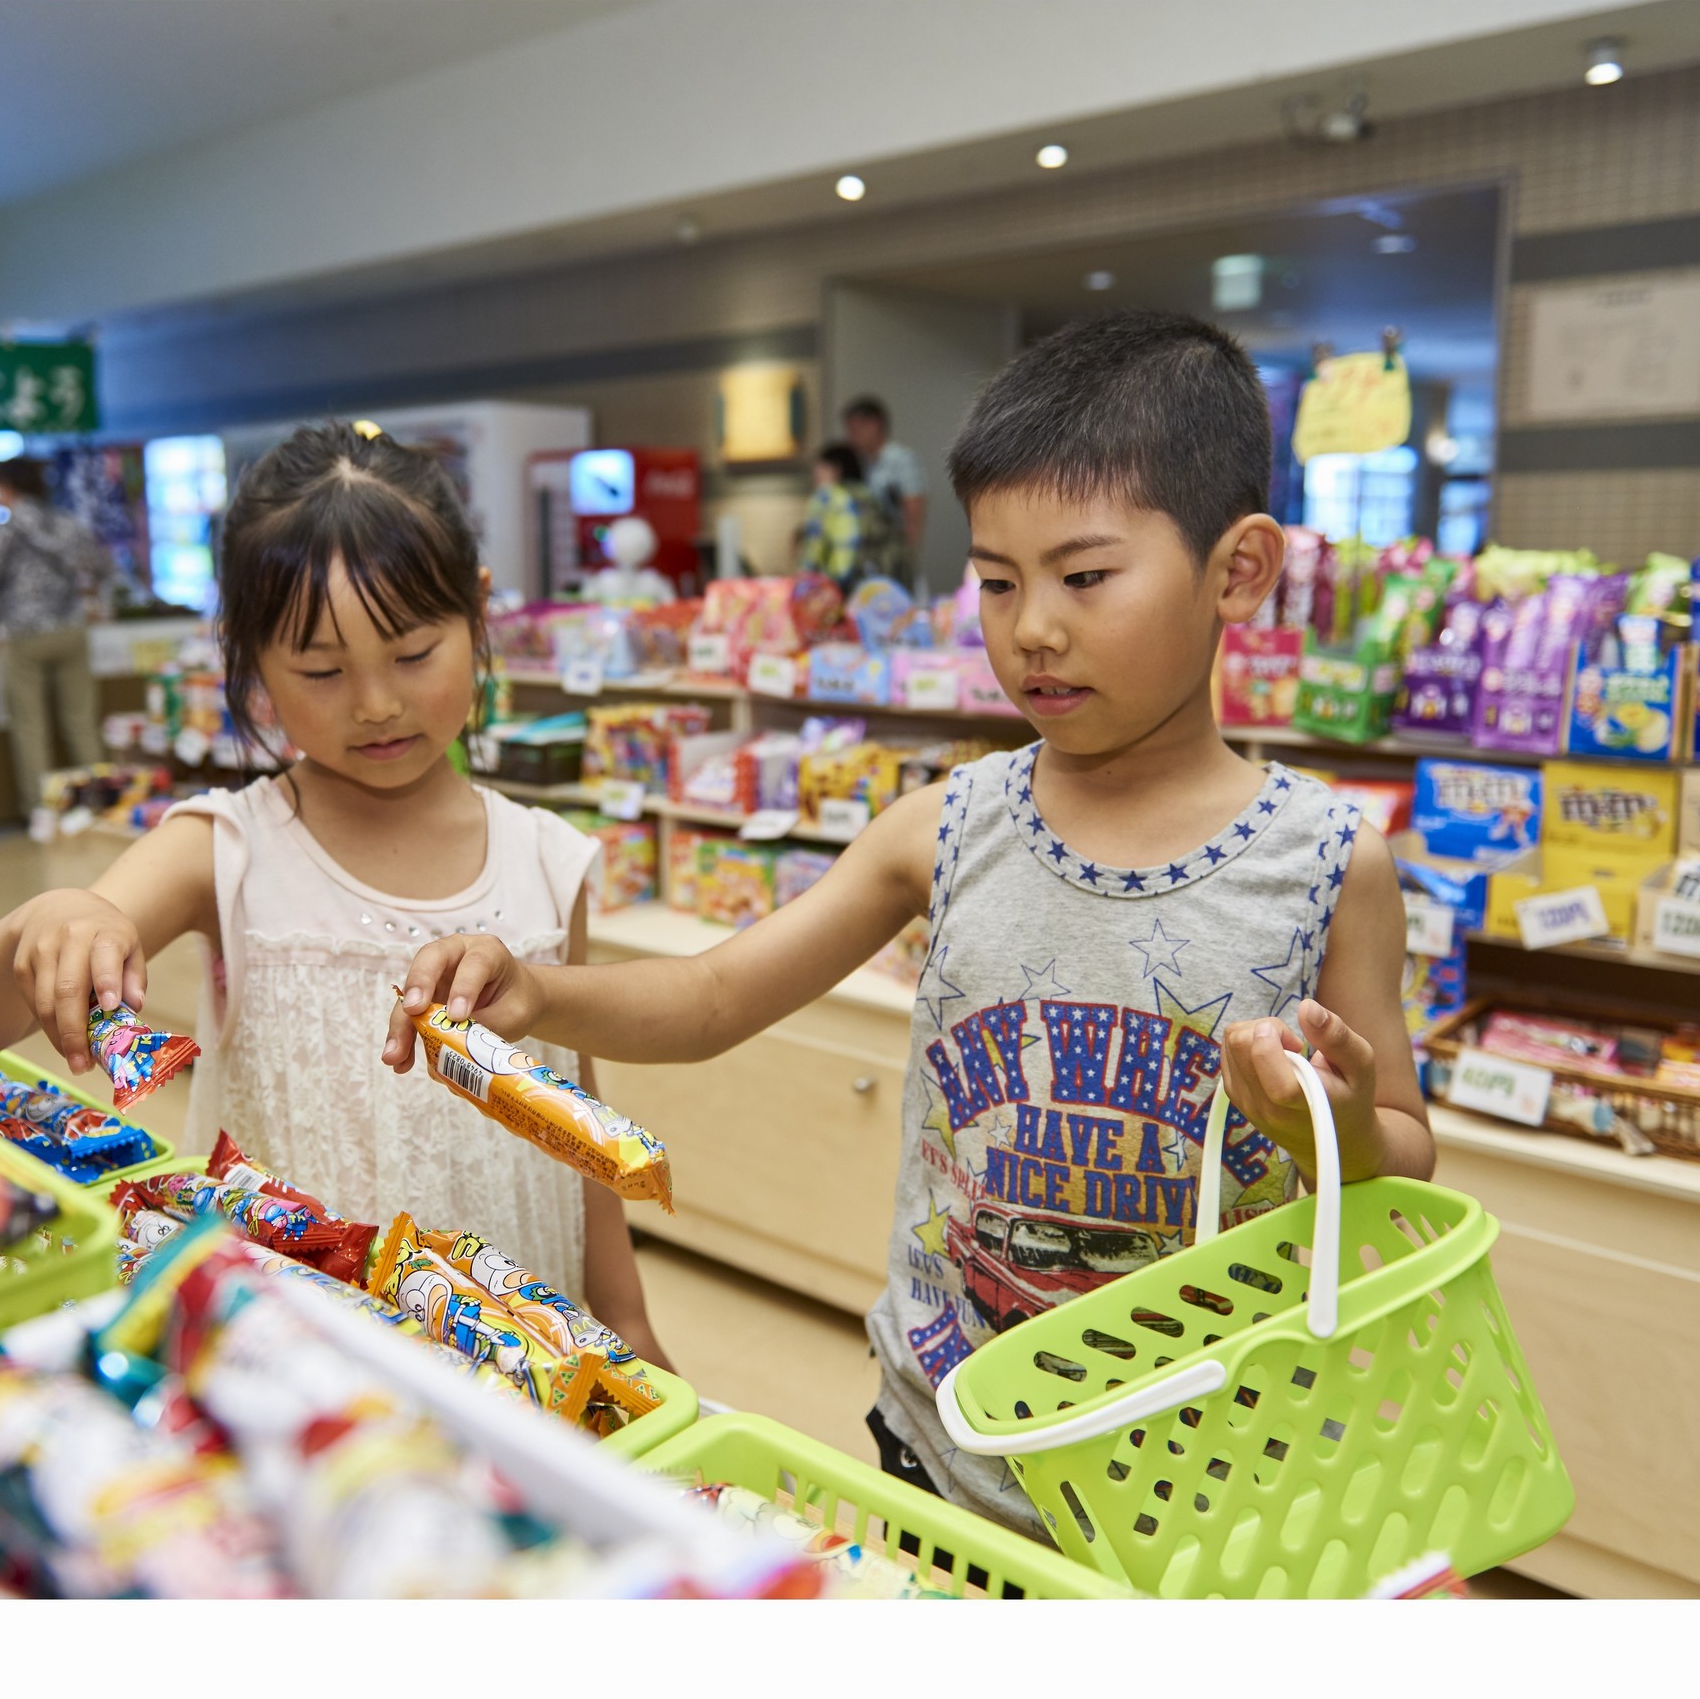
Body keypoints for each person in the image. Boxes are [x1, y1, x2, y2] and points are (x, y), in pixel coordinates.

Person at [383, 314, 1431, 1538]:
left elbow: (1404, 1162)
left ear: (1238, 570)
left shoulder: (1328, 865)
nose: (1031, 624)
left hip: (1205, 1470)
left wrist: (1338, 1126)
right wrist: (542, 993)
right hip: (949, 1445)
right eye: (996, 581)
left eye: (1084, 577)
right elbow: (718, 995)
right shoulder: (945, 826)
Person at [0, 422, 670, 1367]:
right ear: (249, 658)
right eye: (321, 670)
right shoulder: (224, 848)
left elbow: (572, 1109)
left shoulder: (545, 859)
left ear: (479, 615)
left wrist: (626, 1316)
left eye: (412, 654)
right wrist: (52, 920)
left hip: (522, 1344)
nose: (374, 703)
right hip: (296, 1350)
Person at [0, 456, 113, 814]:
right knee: (81, 721)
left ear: (8, 487)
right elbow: (103, 567)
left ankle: (43, 809)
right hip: (72, 629)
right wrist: (90, 599)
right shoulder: (68, 524)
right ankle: (101, 799)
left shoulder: (2, 533)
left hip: (24, 635)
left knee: (31, 727)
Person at [794, 441, 907, 586]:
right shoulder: (867, 494)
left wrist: (801, 575)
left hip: (838, 582)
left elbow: (813, 544)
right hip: (875, 579)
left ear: (836, 469)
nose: (815, 472)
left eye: (820, 466)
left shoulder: (826, 497)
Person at [843, 396, 930, 572]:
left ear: (874, 424)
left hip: (895, 550)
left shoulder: (901, 459)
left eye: (855, 429)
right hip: (871, 553)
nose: (851, 436)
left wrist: (908, 556)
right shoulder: (862, 464)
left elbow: (914, 510)